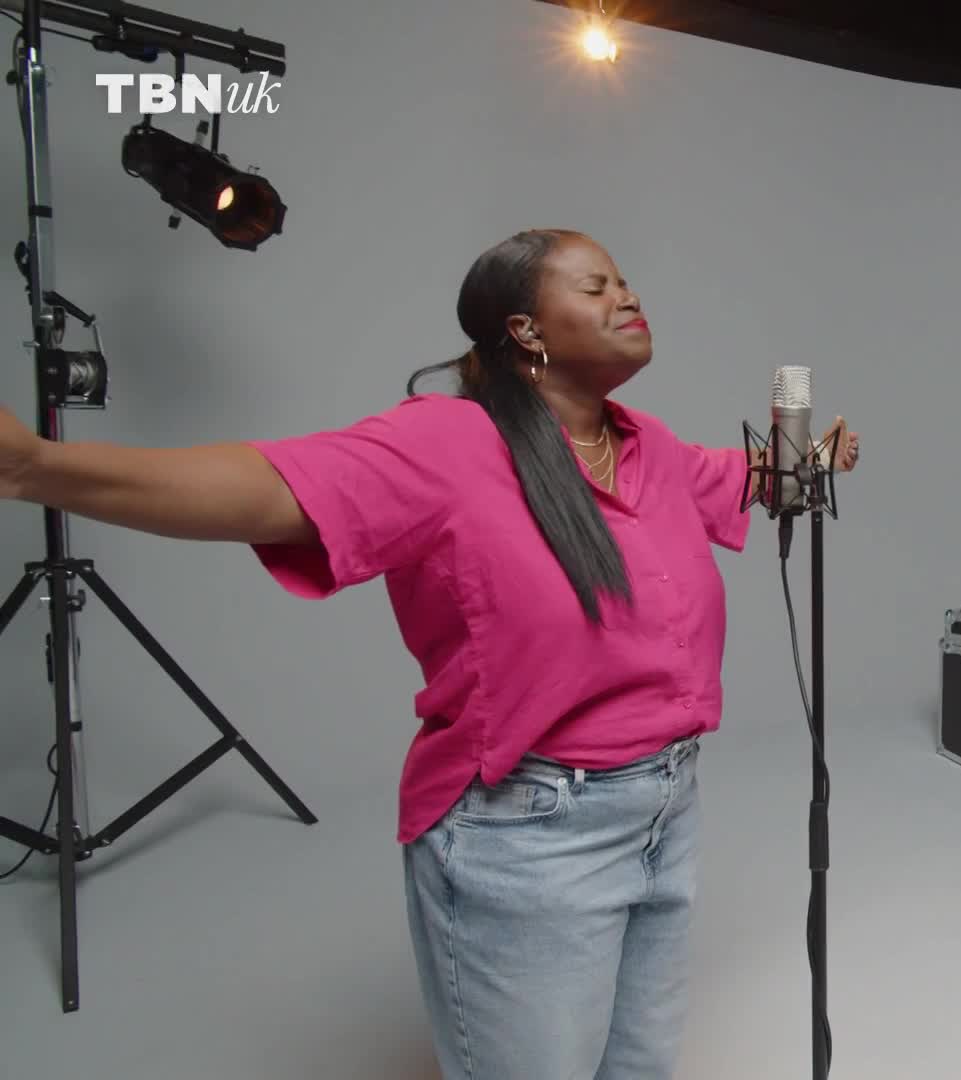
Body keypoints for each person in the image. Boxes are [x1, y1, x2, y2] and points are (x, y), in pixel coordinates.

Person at [0, 228, 861, 1080]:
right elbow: (266, 486)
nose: (627, 297)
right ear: (526, 329)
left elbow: (749, 476)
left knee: (638, 1067)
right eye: (595, 287)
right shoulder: (447, 444)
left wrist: (809, 459)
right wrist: (37, 467)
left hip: (666, 808)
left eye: (626, 281)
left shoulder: (648, 447)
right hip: (533, 834)